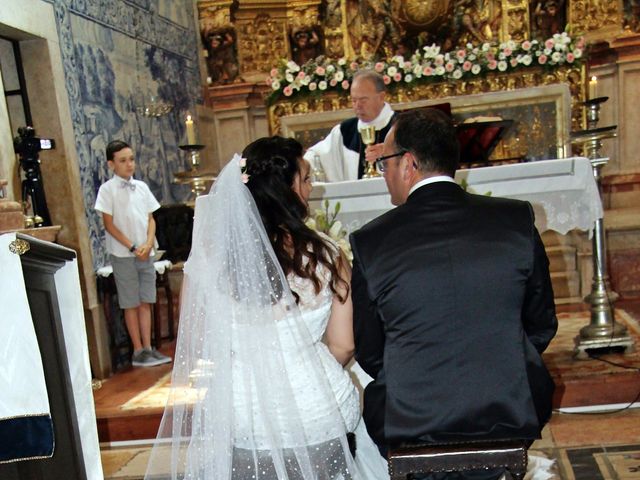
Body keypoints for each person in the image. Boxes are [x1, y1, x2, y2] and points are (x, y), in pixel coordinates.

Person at [145, 137, 388, 479]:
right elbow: (344, 345)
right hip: (317, 412)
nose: (310, 186)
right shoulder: (326, 255)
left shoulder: (210, 262)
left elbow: (200, 341)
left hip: (244, 418)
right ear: (286, 188)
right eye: (305, 178)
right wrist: (300, 374)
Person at [350, 109, 558, 479]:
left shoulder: (371, 241)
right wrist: (500, 366)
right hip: (507, 409)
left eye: (384, 164)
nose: (385, 176)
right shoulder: (514, 220)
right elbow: (541, 324)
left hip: (411, 418)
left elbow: (370, 351)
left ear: (408, 163)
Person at [94, 140, 171, 368]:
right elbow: (109, 224)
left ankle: (148, 347)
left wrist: (148, 243)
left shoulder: (142, 187)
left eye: (131, 159)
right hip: (124, 254)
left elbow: (150, 218)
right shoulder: (107, 190)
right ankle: (137, 350)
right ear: (111, 164)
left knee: (146, 300)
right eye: (123, 160)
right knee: (131, 302)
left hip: (145, 252)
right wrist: (132, 246)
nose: (129, 164)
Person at [304, 70, 395, 182]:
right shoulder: (345, 131)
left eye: (363, 100)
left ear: (381, 97)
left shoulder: (400, 126)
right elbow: (317, 155)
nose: (357, 106)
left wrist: (392, 152)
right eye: (353, 100)